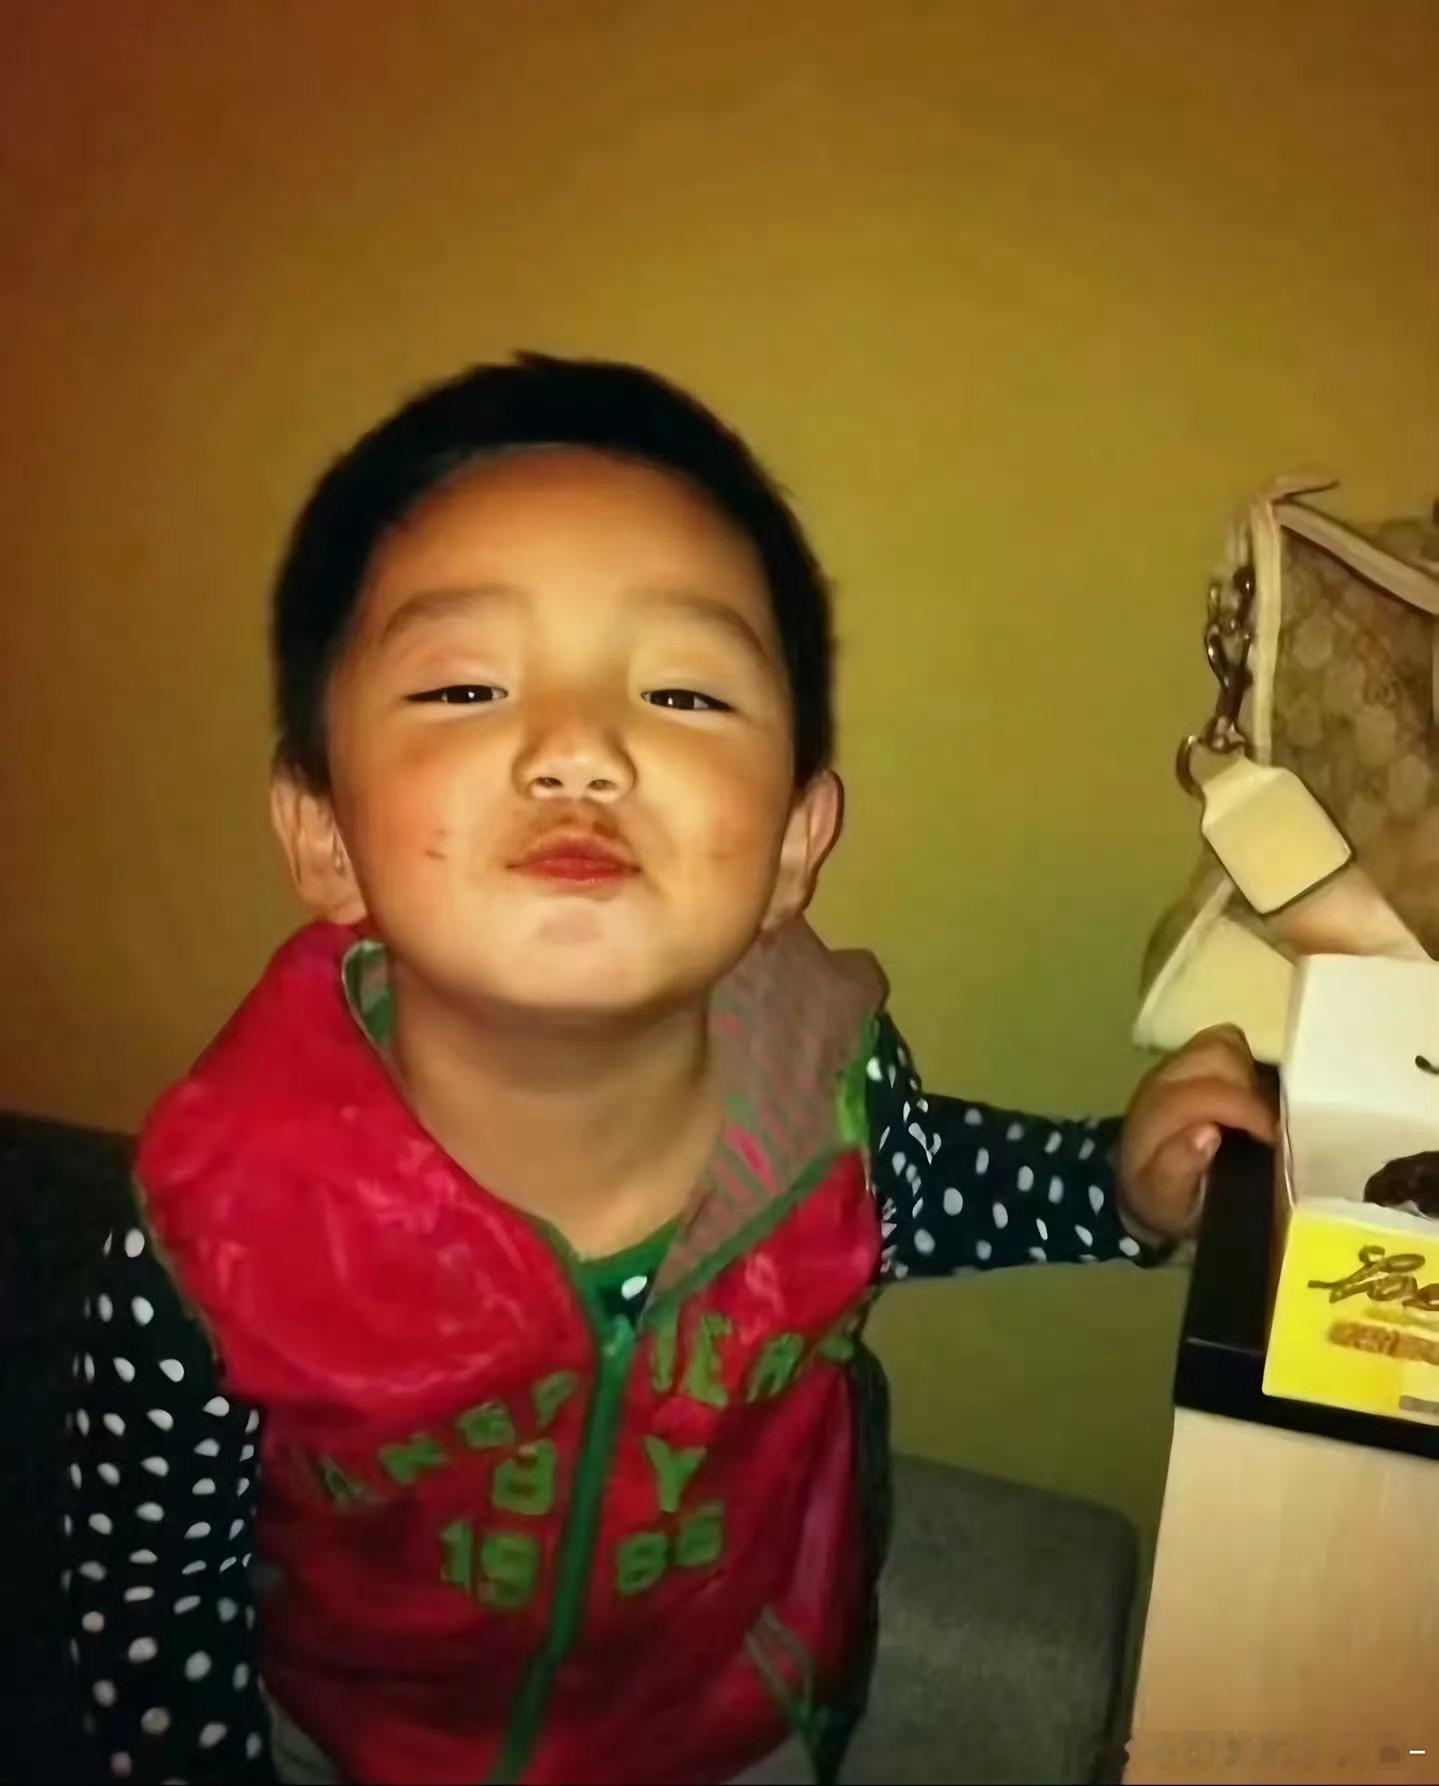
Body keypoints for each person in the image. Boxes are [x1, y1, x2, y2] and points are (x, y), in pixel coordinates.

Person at [60, 355, 1273, 1785]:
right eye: (465, 684)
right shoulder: (219, 1230)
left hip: (733, 1724)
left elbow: (924, 1188)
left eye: (684, 692)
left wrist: (1119, 1187)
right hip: (359, 1740)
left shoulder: (829, 1101)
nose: (580, 749)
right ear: (324, 834)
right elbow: (147, 1600)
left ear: (795, 849)